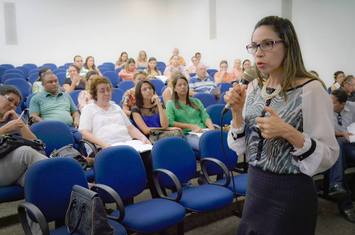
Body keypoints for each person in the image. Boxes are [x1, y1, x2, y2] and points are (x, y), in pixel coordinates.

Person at [225, 16, 338, 235]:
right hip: (256, 186)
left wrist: (288, 132)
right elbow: (240, 148)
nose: (258, 52)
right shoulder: (255, 87)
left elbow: (329, 154)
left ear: (288, 44)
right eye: (255, 46)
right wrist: (237, 113)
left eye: (268, 44)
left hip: (290, 192)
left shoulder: (311, 89)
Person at [79, 76, 149, 149]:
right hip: (104, 147)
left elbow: (130, 128)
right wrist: (105, 145)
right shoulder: (88, 109)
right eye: (102, 91)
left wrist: (143, 138)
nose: (106, 93)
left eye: (108, 90)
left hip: (127, 144)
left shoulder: (116, 107)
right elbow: (85, 133)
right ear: (95, 94)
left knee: (150, 151)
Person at [0, 85, 46, 187]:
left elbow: (35, 143)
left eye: (16, 104)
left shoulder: (13, 119)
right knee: (25, 152)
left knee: (38, 178)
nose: (12, 105)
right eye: (10, 100)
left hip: (14, 168)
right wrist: (4, 130)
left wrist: (20, 124)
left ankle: (77, 192)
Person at [329, 88, 355, 223]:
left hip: (351, 144)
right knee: (338, 150)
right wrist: (342, 134)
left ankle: (336, 184)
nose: (329, 104)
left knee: (339, 162)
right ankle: (346, 205)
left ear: (343, 104)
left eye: (333, 103)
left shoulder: (353, 107)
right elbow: (325, 132)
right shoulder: (325, 110)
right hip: (335, 145)